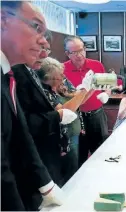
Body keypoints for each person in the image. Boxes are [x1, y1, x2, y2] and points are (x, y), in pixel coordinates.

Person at [1, 1, 64, 210]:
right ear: (2, 19)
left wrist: (45, 183)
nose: (41, 41)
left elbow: (20, 133)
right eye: (36, 27)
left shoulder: (8, 74)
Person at [63, 35, 110, 166]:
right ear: (67, 54)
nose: (80, 54)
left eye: (82, 49)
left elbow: (107, 87)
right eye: (75, 52)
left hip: (97, 115)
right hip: (76, 118)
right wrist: (88, 90)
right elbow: (69, 98)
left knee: (101, 153)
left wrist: (106, 94)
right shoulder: (62, 70)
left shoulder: (97, 65)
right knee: (79, 156)